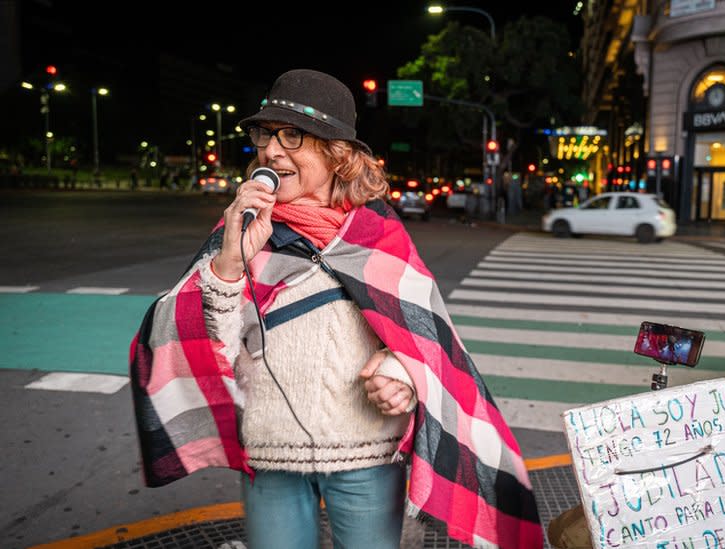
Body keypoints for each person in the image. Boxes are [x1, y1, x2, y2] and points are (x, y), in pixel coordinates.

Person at [129, 70, 542, 549]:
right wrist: (229, 260)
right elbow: (201, 343)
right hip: (271, 453)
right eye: (266, 135)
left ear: (336, 154)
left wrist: (399, 375)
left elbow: (423, 341)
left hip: (367, 456)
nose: (271, 151)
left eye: (293, 136)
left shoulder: (377, 234)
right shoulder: (242, 232)